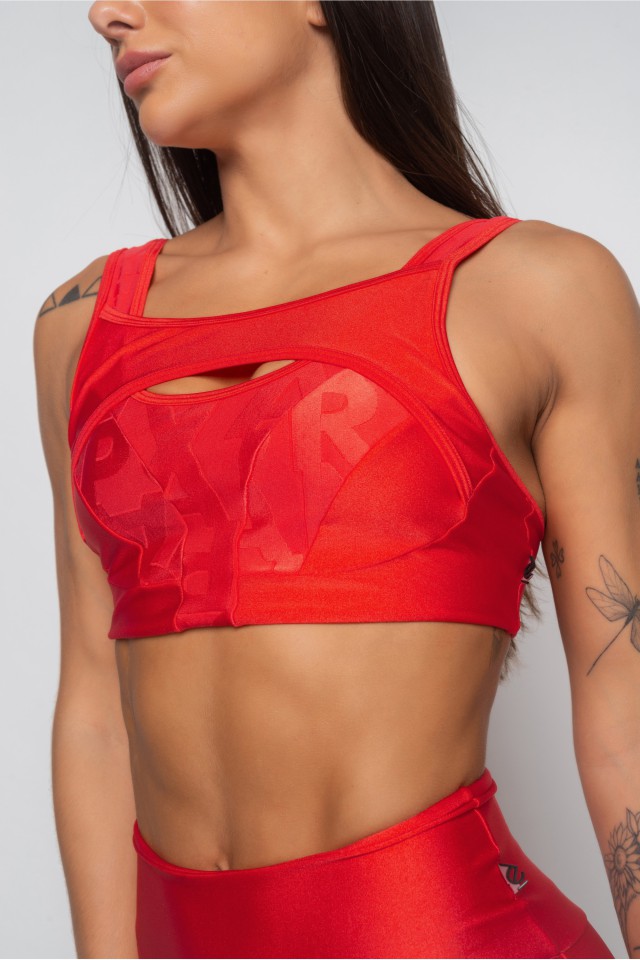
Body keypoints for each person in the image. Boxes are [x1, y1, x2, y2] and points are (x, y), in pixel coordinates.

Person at [33, 2, 639, 958]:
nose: (107, 13)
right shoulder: (82, 326)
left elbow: (624, 714)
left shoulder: (534, 289)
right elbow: (96, 709)